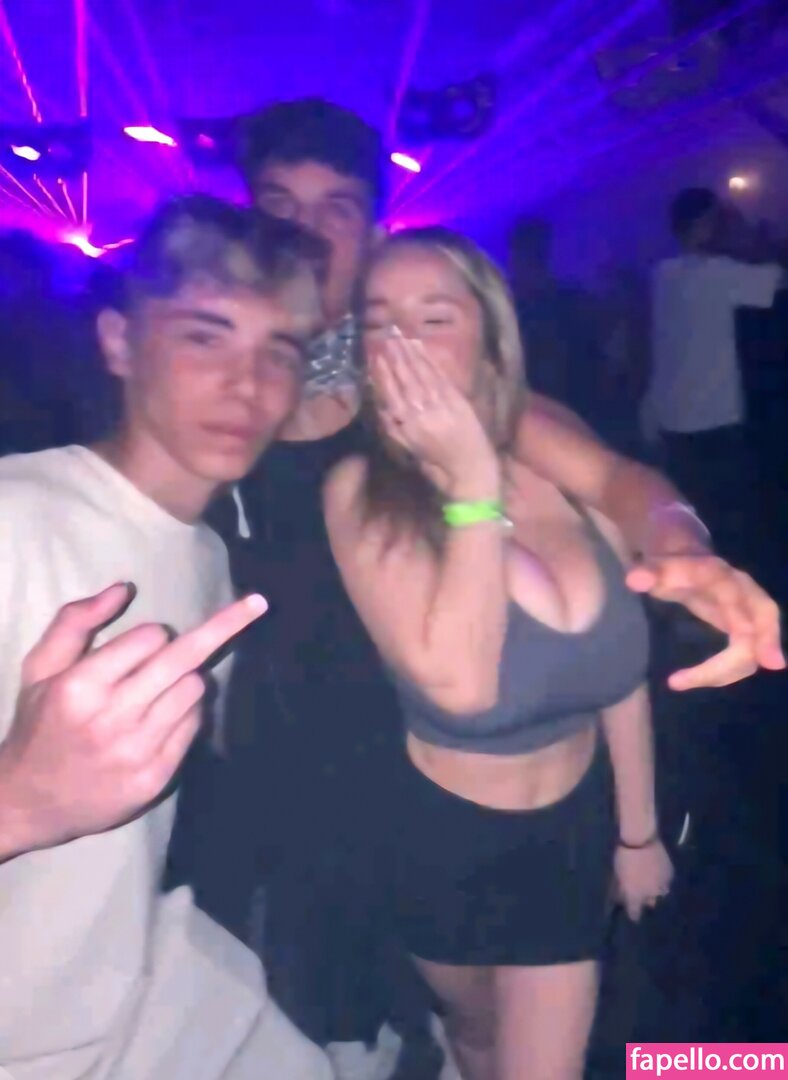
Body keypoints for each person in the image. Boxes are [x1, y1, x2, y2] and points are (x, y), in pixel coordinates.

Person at [175, 99, 785, 1078]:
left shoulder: (435, 389)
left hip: (467, 770)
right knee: (354, 1030)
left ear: (372, 233)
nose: (303, 231)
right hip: (300, 780)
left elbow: (618, 482)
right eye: (279, 204)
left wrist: (689, 547)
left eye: (335, 209)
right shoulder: (223, 390)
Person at [324, 225, 674, 1080]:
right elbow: (464, 688)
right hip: (445, 844)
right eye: (381, 321)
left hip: (573, 833)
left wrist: (638, 834)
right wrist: (473, 487)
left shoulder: (557, 451)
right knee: (478, 1042)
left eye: (434, 318)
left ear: (490, 335)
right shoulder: (362, 492)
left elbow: (620, 671)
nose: (403, 343)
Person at [0, 194, 333, 1080]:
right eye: (204, 337)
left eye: (279, 351)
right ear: (119, 343)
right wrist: (20, 799)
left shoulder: (208, 553)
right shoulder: (14, 522)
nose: (247, 386)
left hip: (140, 989)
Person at [645, 187, 786, 585]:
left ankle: (697, 600)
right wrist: (748, 234)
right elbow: (777, 278)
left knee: (694, 520)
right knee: (733, 524)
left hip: (673, 420)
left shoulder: (663, 274)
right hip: (715, 422)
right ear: (706, 224)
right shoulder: (720, 274)